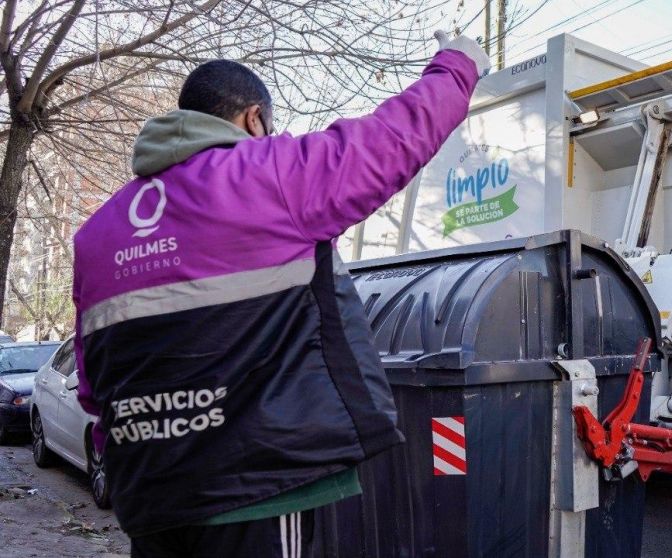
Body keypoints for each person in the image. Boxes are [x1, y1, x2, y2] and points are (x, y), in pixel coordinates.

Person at [71, 31, 489, 557]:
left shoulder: (96, 234)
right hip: (256, 488)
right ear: (253, 120)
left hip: (149, 496)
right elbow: (393, 139)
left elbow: (92, 384)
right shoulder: (267, 175)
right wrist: (458, 64)